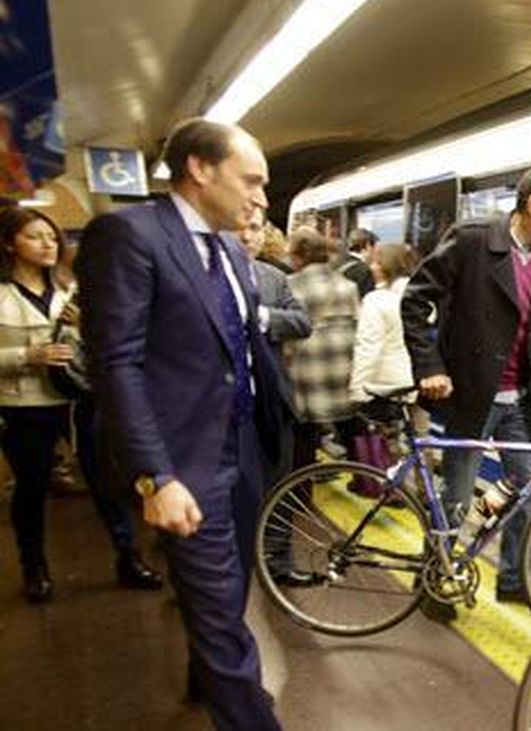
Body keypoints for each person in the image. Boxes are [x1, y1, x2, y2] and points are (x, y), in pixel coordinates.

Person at [76, 118, 289, 731]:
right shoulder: (128, 235)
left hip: (245, 449)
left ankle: (208, 678)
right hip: (185, 464)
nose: (261, 199)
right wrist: (154, 475)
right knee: (223, 617)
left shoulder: (228, 251)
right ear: (200, 168)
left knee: (229, 594)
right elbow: (117, 364)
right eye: (252, 181)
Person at [402, 162, 531, 608]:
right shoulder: (473, 240)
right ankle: (433, 580)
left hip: (519, 400)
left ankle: (513, 579)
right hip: (471, 395)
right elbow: (415, 300)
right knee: (458, 498)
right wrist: (429, 366)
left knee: (529, 488)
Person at [0, 206, 162, 603]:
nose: (47, 244)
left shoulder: (73, 291)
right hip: (26, 404)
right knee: (33, 487)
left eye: (52, 237)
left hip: (81, 400)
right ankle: (34, 567)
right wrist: (26, 356)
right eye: (35, 236)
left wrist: (87, 324)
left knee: (108, 481)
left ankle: (129, 557)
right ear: (9, 244)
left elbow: (112, 346)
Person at [239, 209, 311, 482]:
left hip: (273, 398)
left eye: (256, 229)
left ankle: (276, 526)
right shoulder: (205, 277)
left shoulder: (274, 277)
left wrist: (263, 317)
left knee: (279, 483)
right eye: (240, 229)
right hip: (227, 405)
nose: (248, 237)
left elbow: (303, 322)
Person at [285, 227, 360, 469]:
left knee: (304, 436)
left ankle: (300, 495)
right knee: (351, 427)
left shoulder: (290, 285)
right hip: (343, 368)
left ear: (297, 256)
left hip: (306, 372)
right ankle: (370, 481)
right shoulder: (347, 285)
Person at [350, 243, 414, 403]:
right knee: (419, 426)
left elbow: (369, 347)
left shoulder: (376, 300)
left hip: (386, 383)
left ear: (387, 267)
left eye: (376, 263)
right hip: (416, 378)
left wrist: (357, 389)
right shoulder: (418, 296)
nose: (371, 267)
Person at [334, 227, 376, 298]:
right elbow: (366, 300)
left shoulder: (336, 263)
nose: (374, 252)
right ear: (367, 245)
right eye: (374, 248)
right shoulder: (364, 270)